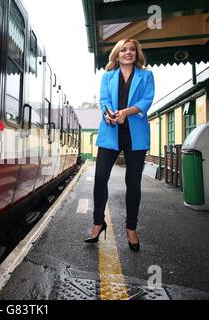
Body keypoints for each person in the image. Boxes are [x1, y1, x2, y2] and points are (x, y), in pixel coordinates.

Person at [84, 39, 155, 252]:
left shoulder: (147, 75)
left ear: (136, 53)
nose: (128, 52)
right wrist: (109, 115)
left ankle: (131, 228)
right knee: (100, 177)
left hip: (136, 136)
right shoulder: (107, 76)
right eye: (124, 49)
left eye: (132, 49)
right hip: (110, 133)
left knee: (133, 183)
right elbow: (104, 100)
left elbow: (146, 100)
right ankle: (98, 223)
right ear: (117, 54)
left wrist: (126, 112)